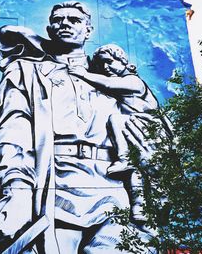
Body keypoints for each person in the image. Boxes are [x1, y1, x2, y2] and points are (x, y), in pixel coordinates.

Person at [0, 1, 158, 253]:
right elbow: (10, 132)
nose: (65, 23)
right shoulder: (27, 71)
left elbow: (148, 122)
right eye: (58, 20)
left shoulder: (112, 76)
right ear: (49, 28)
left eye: (74, 20)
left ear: (88, 30)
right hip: (55, 187)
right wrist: (16, 187)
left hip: (113, 188)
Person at [69, 43, 161, 222]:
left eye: (109, 62)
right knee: (136, 172)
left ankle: (124, 157)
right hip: (135, 129)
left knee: (116, 119)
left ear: (123, 61)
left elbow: (110, 85)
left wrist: (84, 74)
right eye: (101, 65)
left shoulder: (134, 81)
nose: (105, 68)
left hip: (146, 126)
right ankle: (139, 208)